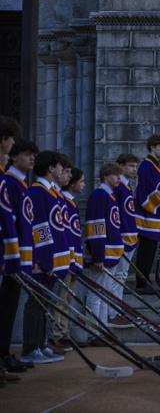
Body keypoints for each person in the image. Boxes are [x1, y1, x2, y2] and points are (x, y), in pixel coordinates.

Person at [21, 151, 69, 365]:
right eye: (60, 167)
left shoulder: (50, 192)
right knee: (36, 303)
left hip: (53, 258)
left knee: (45, 304)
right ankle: (31, 347)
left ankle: (40, 345)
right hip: (43, 260)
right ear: (51, 168)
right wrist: (46, 259)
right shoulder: (38, 192)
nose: (61, 171)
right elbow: (40, 228)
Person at [0, 138, 36, 375]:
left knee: (10, 306)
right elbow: (9, 222)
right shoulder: (9, 183)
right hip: (10, 258)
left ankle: (4, 353)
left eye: (33, 155)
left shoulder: (21, 184)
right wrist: (15, 257)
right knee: (5, 307)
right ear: (13, 155)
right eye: (26, 154)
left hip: (19, 257)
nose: (31, 158)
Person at [83, 163, 124, 345]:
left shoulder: (109, 196)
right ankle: (93, 333)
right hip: (103, 254)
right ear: (106, 175)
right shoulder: (99, 195)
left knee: (104, 294)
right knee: (95, 295)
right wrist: (98, 255)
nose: (119, 179)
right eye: (116, 175)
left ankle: (103, 329)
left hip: (112, 253)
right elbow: (97, 227)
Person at [50, 167, 85, 351]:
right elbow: (66, 233)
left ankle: (64, 331)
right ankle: (58, 334)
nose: (83, 184)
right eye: (81, 181)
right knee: (61, 300)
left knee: (68, 300)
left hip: (73, 258)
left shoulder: (70, 202)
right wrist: (71, 260)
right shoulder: (63, 201)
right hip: (66, 259)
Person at [134, 135, 160, 293]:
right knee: (146, 250)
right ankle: (142, 283)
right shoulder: (147, 166)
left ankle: (145, 279)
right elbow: (148, 193)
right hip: (147, 215)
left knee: (150, 250)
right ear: (152, 147)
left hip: (153, 216)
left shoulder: (157, 166)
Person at [108, 153, 139, 328]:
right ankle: (112, 312)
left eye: (135, 166)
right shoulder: (118, 187)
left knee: (121, 276)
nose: (133, 170)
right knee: (115, 277)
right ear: (120, 165)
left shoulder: (127, 186)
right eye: (130, 166)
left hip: (130, 236)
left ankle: (116, 310)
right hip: (121, 238)